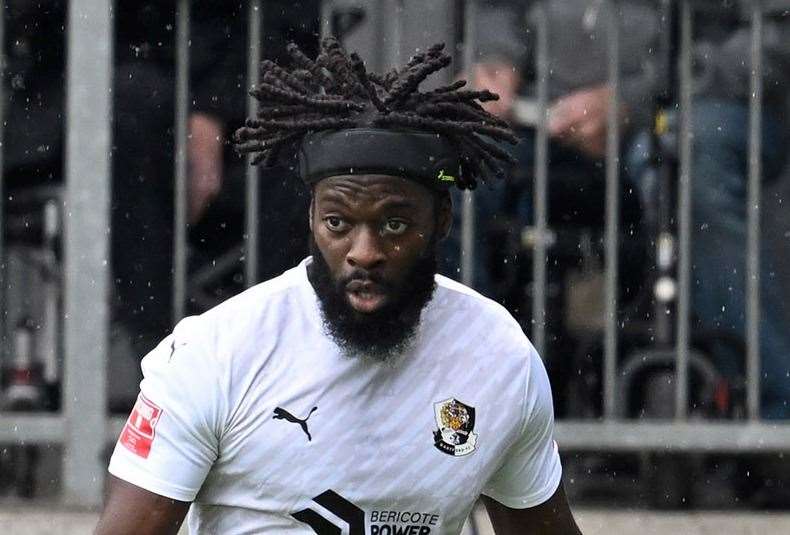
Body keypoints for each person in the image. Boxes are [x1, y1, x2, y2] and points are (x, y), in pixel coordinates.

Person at [95, 38, 582, 534]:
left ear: (441, 221)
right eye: (337, 222)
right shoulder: (215, 353)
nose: (364, 252)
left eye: (393, 225)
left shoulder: (498, 356)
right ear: (311, 218)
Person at [468, 0, 790, 419]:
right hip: (541, 117)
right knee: (453, 162)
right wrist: (494, 59)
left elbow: (771, 39)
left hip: (696, 107)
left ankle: (771, 417)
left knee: (692, 165)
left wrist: (637, 97)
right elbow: (494, 13)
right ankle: (467, 405)